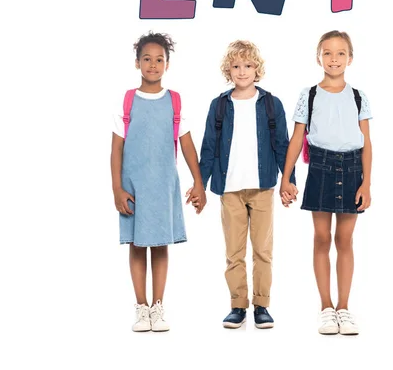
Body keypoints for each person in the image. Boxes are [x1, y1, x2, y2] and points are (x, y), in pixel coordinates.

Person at [111, 31, 206, 332]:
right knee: (138, 245)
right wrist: (117, 188)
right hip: (133, 187)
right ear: (137, 62)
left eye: (159, 59)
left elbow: (187, 145)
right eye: (147, 59)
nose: (153, 64)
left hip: (164, 184)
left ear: (167, 63)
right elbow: (116, 149)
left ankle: (158, 306)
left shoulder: (174, 102)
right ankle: (141, 306)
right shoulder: (127, 101)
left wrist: (199, 182)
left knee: (161, 245)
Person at [280, 30, 372, 335]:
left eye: (340, 53)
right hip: (320, 166)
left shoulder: (358, 96)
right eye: (328, 53)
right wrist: (286, 177)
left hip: (352, 168)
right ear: (318, 57)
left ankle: (344, 308)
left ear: (350, 58)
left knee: (344, 240)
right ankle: (325, 307)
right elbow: (296, 138)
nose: (334, 59)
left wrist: (366, 184)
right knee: (321, 237)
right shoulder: (309, 95)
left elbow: (367, 143)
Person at [199, 40, 294, 329]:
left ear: (257, 69)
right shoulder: (219, 105)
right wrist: (199, 185)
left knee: (263, 251)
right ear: (228, 70)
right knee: (234, 252)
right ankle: (238, 305)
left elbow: (282, 145)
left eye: (248, 65)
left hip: (263, 187)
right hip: (229, 189)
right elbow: (208, 148)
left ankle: (262, 305)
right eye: (236, 66)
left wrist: (287, 181)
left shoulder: (270, 104)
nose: (242, 71)